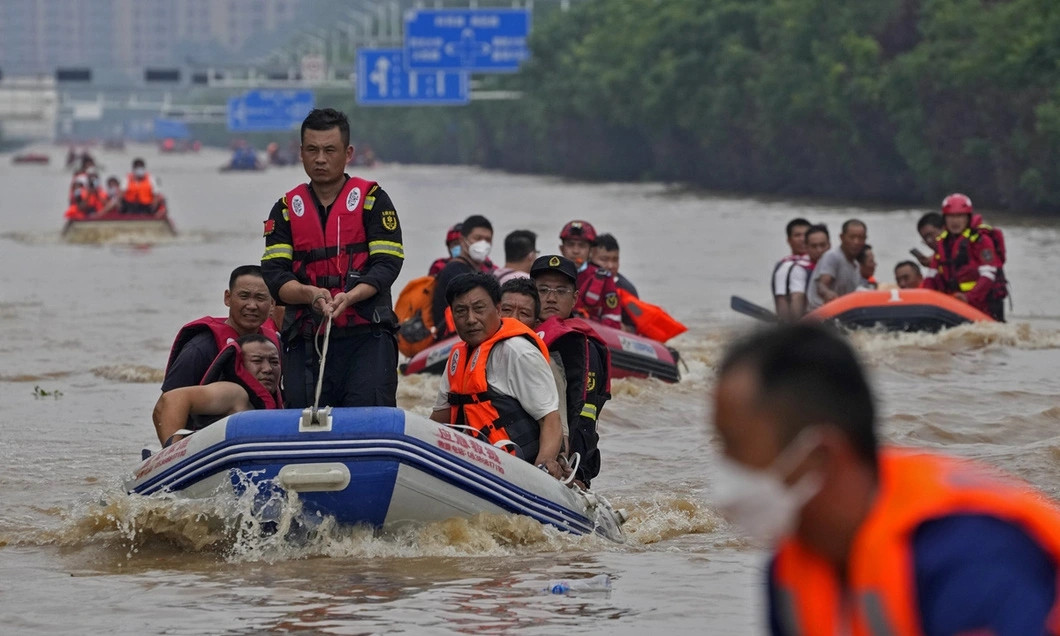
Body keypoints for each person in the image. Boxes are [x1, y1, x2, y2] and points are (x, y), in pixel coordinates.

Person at [708, 323, 1060, 635]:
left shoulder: (969, 554)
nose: (726, 475)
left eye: (737, 448)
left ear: (820, 457)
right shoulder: (790, 572)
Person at [261, 107, 404, 408]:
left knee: (368, 422)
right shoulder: (286, 209)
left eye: (329, 150)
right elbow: (275, 276)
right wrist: (310, 294)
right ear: (301, 153)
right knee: (304, 424)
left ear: (348, 152)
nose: (320, 159)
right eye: (312, 150)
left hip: (367, 337)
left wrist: (350, 297)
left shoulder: (373, 201)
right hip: (306, 339)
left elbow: (387, 265)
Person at [429, 272, 564, 478]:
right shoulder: (458, 358)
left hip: (517, 467)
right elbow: (439, 420)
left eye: (479, 309)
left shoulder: (519, 352)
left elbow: (550, 419)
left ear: (498, 309)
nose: (471, 319)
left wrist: (543, 470)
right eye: (461, 311)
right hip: (477, 464)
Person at [531, 255, 611, 488]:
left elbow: (584, 416)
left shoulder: (583, 348)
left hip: (565, 463)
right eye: (543, 289)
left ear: (575, 298)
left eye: (561, 291)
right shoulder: (517, 335)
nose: (551, 298)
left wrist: (579, 472)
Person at [161, 265, 279, 393]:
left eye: (260, 298)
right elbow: (164, 406)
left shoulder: (276, 345)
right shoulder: (200, 348)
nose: (252, 306)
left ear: (272, 304)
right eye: (244, 296)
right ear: (227, 298)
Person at [154, 334, 282, 446]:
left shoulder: (279, 399)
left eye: (274, 362)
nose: (268, 369)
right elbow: (174, 398)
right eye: (257, 361)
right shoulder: (234, 393)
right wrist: (172, 454)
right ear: (240, 364)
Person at [499, 277, 571, 455]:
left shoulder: (544, 364)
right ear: (494, 311)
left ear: (535, 323)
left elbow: (558, 427)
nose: (513, 319)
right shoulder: (473, 351)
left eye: (523, 314)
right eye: (506, 310)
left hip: (518, 457)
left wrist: (555, 461)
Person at [921, 193, 1006, 321]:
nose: (955, 221)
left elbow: (988, 276)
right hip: (954, 303)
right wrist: (923, 299)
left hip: (983, 304)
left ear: (968, 218)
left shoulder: (981, 240)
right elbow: (931, 276)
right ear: (945, 219)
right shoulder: (942, 243)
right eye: (951, 216)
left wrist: (968, 298)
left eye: (960, 216)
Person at [430, 215, 494, 339]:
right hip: (450, 337)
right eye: (478, 238)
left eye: (487, 239)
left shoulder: (479, 269)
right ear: (462, 240)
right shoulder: (455, 270)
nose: (483, 244)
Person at [558, 220, 621, 329]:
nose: (576, 251)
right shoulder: (551, 273)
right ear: (562, 249)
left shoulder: (604, 277)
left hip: (592, 336)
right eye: (570, 245)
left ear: (590, 250)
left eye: (581, 246)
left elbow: (612, 317)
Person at [807, 219, 866, 310]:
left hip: (842, 312)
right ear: (842, 237)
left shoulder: (856, 266)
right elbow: (821, 285)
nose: (856, 242)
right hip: (819, 312)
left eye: (861, 238)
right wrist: (827, 293)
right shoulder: (832, 256)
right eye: (852, 237)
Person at [590, 233, 639, 331]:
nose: (610, 266)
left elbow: (635, 327)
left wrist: (624, 329)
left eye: (615, 260)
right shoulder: (579, 280)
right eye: (604, 259)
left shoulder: (627, 288)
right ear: (590, 258)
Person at [782, 224, 830, 320]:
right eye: (814, 246)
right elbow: (797, 297)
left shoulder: (842, 263)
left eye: (822, 245)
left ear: (829, 245)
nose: (819, 250)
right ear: (807, 248)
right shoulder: (800, 269)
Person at [772, 218, 812, 320]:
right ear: (789, 240)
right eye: (797, 235)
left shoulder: (820, 262)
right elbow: (782, 298)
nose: (802, 239)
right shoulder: (787, 266)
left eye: (805, 235)